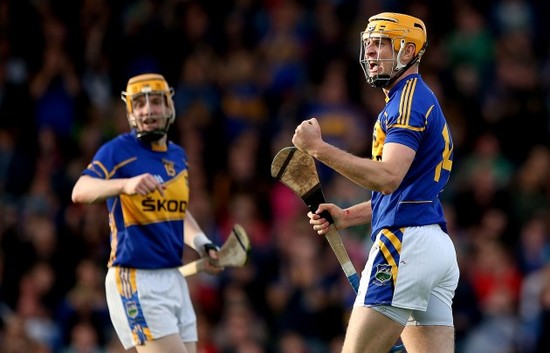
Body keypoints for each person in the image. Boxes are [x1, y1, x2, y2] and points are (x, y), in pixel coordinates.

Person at [292, 13, 460, 353]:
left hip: (406, 244)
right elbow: (405, 191)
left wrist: (318, 148)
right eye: (369, 44)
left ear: (409, 50)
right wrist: (348, 216)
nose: (371, 53)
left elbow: (388, 177)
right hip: (433, 246)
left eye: (382, 44)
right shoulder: (414, 99)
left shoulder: (408, 102)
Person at [71, 73, 223, 353]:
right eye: (140, 103)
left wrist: (203, 244)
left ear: (169, 107)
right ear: (130, 111)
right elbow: (80, 190)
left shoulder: (178, 156)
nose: (148, 110)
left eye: (156, 101)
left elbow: (176, 213)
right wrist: (125, 184)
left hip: (174, 278)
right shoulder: (117, 150)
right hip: (136, 280)